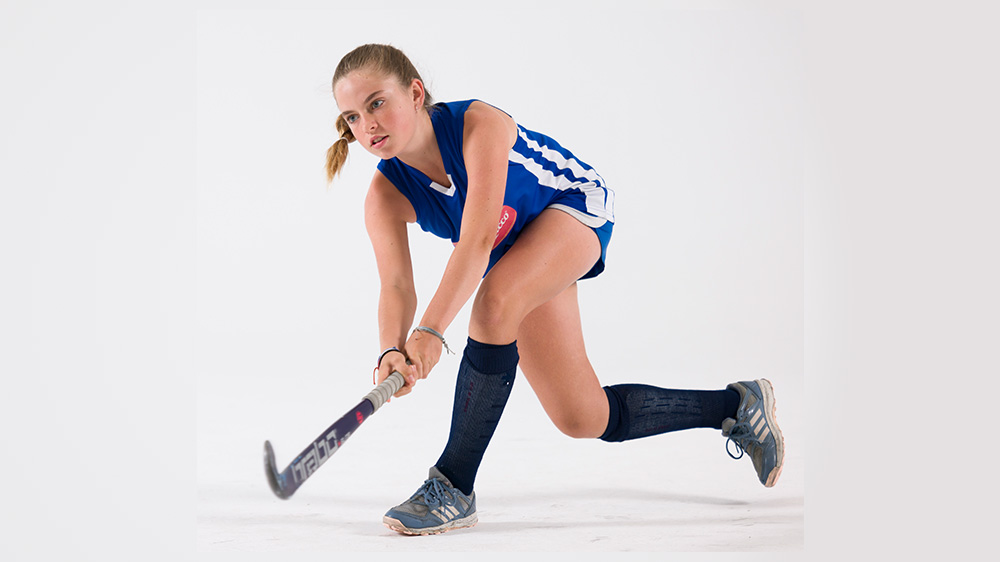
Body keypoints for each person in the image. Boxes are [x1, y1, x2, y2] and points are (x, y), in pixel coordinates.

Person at [326, 43, 784, 536]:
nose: (367, 124)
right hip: (514, 247)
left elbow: (477, 241)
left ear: (415, 93)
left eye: (377, 102)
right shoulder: (384, 195)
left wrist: (432, 332)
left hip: (570, 205)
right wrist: (392, 349)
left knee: (493, 304)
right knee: (581, 415)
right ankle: (737, 406)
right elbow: (396, 284)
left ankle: (452, 485)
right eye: (352, 116)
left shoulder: (479, 126)